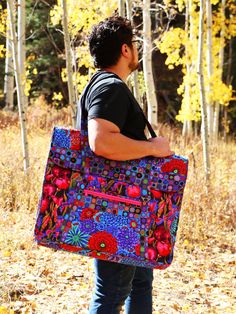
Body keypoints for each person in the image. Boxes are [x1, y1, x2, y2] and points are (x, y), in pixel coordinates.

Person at [77, 15, 174, 314]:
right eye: (133, 44)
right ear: (125, 50)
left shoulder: (101, 85)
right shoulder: (111, 88)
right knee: (112, 293)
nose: (135, 49)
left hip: (125, 208)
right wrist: (151, 148)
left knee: (139, 284)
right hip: (118, 212)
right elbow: (101, 142)